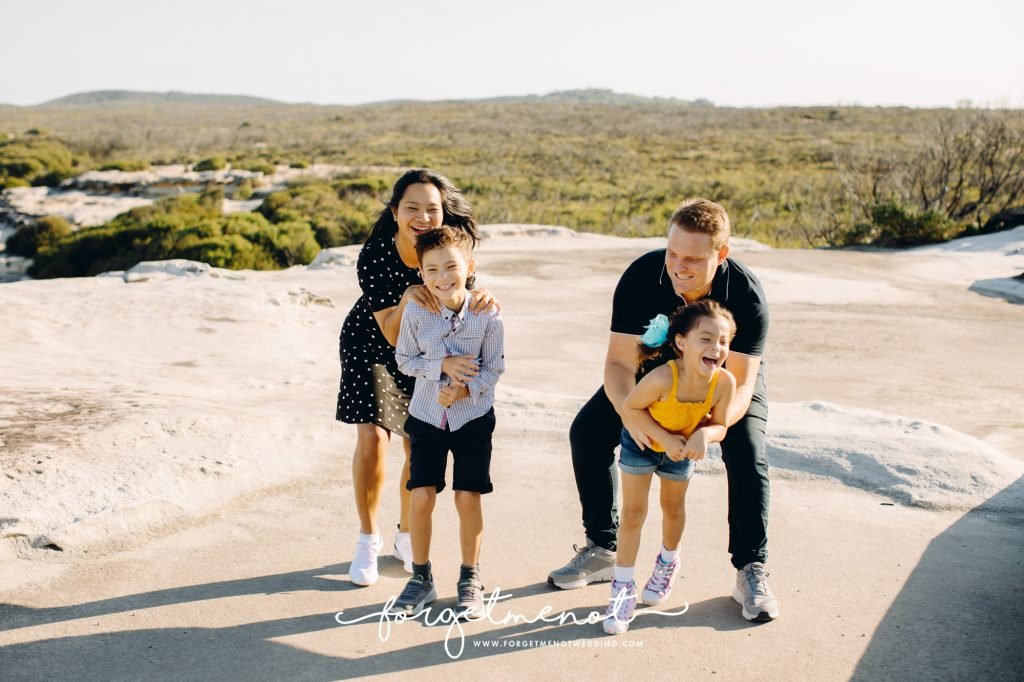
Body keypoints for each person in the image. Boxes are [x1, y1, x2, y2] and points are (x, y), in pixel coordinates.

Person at [549, 198, 780, 623]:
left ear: (720, 255)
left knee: (747, 452)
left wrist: (711, 429)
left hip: (721, 376)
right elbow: (619, 363)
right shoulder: (642, 275)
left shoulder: (746, 295)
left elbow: (744, 382)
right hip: (655, 371)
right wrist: (632, 415)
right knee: (587, 432)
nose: (678, 266)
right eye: (673, 253)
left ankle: (751, 568)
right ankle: (602, 547)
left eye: (693, 258)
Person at [337, 169, 495, 587]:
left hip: (430, 354)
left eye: (432, 209)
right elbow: (391, 334)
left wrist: (482, 299)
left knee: (415, 443)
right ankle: (367, 540)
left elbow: (461, 309)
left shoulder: (450, 252)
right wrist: (409, 295)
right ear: (395, 212)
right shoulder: (375, 256)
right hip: (372, 345)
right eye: (412, 208)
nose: (423, 217)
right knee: (372, 438)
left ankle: (406, 535)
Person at [388, 227, 504, 618]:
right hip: (425, 417)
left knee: (466, 497)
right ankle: (420, 578)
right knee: (420, 495)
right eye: (432, 269)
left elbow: (494, 370)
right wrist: (442, 367)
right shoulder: (417, 313)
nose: (442, 277)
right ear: (421, 274)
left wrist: (466, 392)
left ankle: (470, 578)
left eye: (451, 267)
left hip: (472, 419)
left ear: (468, 267)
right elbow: (404, 359)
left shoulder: (488, 315)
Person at [603, 301, 737, 635]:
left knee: (673, 508)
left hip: (681, 453)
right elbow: (631, 407)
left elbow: (720, 425)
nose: (716, 348)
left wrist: (704, 435)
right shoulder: (663, 376)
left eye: (723, 341)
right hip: (643, 444)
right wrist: (664, 437)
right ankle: (622, 589)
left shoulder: (723, 383)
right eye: (706, 339)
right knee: (633, 514)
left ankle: (667, 562)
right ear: (681, 342)